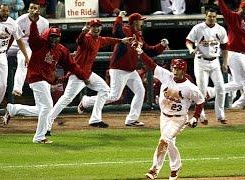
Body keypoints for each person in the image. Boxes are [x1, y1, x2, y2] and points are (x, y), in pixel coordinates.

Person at [78, 11, 169, 127]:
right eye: (141, 20)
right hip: (119, 69)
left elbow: (148, 50)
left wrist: (161, 45)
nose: (142, 22)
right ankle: (86, 101)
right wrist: (119, 17)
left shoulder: (139, 36)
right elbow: (116, 31)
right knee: (114, 96)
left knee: (140, 91)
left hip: (131, 70)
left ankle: (132, 119)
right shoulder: (126, 30)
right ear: (135, 22)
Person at [129, 42, 205, 180]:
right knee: (169, 143)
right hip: (164, 117)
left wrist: (195, 117)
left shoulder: (190, 87)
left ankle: (154, 170)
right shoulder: (166, 76)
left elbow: (200, 101)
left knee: (164, 140)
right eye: (174, 68)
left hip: (179, 119)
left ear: (184, 70)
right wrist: (140, 52)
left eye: (179, 69)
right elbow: (151, 65)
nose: (175, 71)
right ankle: (176, 167)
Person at [45, 19, 131, 133]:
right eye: (94, 26)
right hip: (77, 74)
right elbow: (79, 41)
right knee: (66, 99)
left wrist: (122, 40)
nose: (96, 28)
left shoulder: (99, 39)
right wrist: (82, 32)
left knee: (105, 90)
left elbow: (109, 40)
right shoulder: (86, 38)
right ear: (89, 28)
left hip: (88, 73)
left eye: (98, 26)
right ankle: (46, 123)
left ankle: (95, 119)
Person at [24, 14, 90, 143]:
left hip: (45, 80)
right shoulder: (40, 44)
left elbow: (72, 65)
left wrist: (83, 76)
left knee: (41, 108)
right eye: (52, 36)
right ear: (48, 36)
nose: (54, 39)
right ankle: (39, 137)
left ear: (60, 37)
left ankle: (13, 109)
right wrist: (33, 24)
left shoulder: (62, 50)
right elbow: (33, 38)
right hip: (36, 77)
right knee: (48, 106)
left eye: (56, 37)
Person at [0, 4, 29, 124]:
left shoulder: (12, 23)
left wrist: (25, 56)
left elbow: (19, 39)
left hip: (2, 55)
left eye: (7, 11)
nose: (6, 13)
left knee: (3, 85)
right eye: (3, 11)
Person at [186, 8, 228, 125]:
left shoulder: (220, 29)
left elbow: (225, 47)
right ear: (206, 16)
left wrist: (225, 63)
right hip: (201, 62)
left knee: (221, 89)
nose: (212, 18)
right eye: (209, 16)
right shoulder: (198, 28)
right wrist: (190, 49)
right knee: (202, 90)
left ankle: (220, 115)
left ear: (216, 17)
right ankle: (201, 116)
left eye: (214, 16)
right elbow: (188, 41)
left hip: (215, 62)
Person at [9, 0, 49, 96]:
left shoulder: (44, 22)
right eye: (31, 8)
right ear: (28, 9)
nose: (33, 10)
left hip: (29, 45)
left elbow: (44, 40)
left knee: (23, 60)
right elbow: (12, 36)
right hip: (16, 42)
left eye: (35, 8)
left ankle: (17, 88)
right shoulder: (20, 19)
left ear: (39, 10)